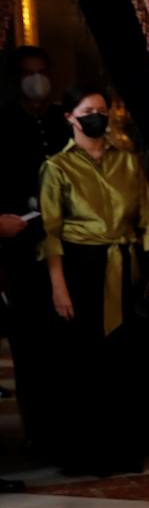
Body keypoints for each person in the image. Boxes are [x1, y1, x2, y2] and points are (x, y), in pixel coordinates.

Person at [39, 86, 149, 475]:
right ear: (70, 116)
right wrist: (58, 286)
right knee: (87, 361)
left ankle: (128, 446)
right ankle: (88, 451)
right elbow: (50, 233)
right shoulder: (56, 167)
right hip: (81, 270)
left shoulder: (130, 162)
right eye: (88, 111)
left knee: (127, 358)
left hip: (127, 267)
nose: (97, 117)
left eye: (102, 111)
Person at [0, 45, 68, 473]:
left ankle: (69, 432)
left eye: (43, 72)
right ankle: (37, 435)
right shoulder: (3, 122)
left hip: (67, 244)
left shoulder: (64, 120)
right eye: (29, 73)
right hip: (19, 249)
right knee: (31, 345)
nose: (37, 79)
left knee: (67, 343)